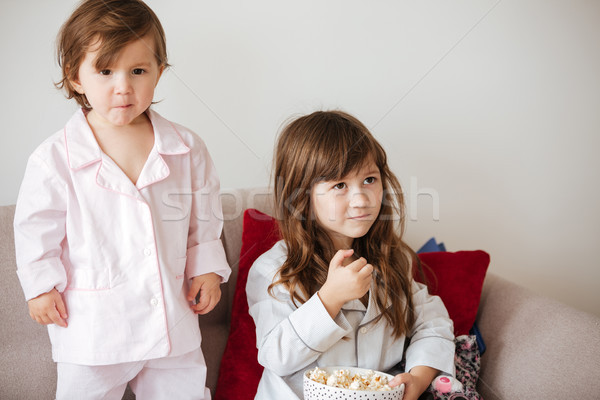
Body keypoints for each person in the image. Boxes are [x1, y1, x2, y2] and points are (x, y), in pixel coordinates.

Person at [13, 1, 230, 399]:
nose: (123, 86)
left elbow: (205, 216)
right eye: (105, 71)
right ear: (75, 77)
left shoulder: (186, 147)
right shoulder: (54, 158)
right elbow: (35, 227)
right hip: (94, 330)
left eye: (138, 71)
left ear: (159, 73)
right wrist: (41, 286)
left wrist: (207, 268)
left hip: (171, 321)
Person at [246, 110, 455, 400]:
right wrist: (329, 299)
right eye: (340, 186)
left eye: (369, 179)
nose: (361, 199)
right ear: (301, 197)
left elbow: (432, 323)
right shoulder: (274, 269)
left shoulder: (391, 259)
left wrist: (418, 378)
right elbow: (276, 356)